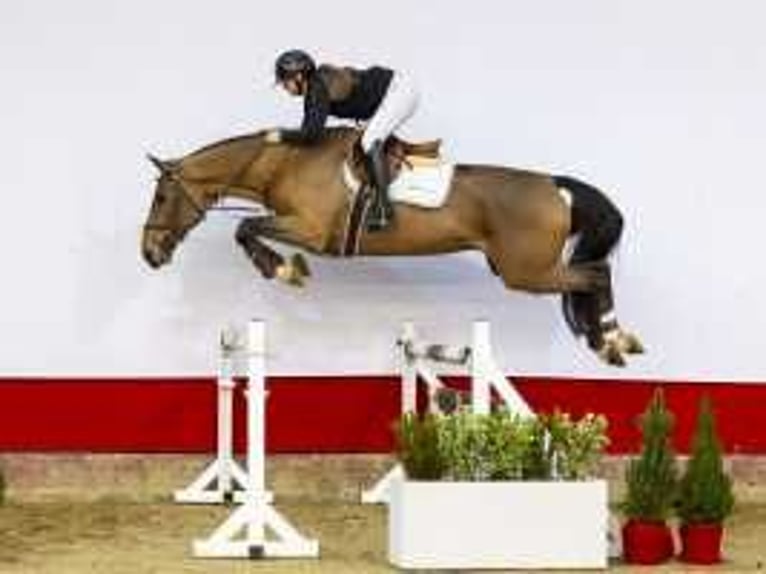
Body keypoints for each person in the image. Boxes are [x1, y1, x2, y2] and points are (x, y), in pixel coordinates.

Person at [267, 49, 419, 231]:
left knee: (369, 141)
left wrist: (280, 135)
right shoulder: (316, 88)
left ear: (299, 76)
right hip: (391, 91)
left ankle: (384, 208)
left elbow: (311, 134)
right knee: (365, 139)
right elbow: (309, 132)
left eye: (285, 82)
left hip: (400, 92)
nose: (285, 88)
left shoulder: (317, 89)